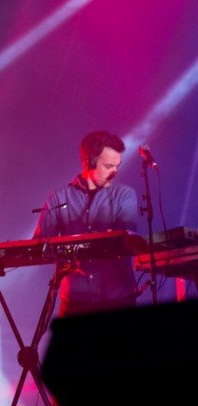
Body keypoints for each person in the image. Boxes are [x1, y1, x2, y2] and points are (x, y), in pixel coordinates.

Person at [34, 130, 140, 316]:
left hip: (118, 298)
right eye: (109, 166)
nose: (115, 172)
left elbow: (125, 241)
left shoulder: (124, 195)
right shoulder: (58, 198)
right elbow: (39, 247)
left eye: (117, 166)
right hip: (75, 301)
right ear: (89, 162)